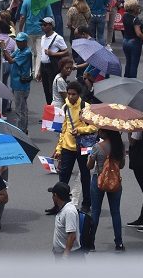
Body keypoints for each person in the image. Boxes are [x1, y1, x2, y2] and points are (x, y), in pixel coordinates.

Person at [52, 82, 95, 213]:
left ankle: (86, 203)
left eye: (73, 94)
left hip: (83, 146)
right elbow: (63, 130)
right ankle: (59, 204)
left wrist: (80, 130)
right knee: (63, 178)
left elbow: (94, 127)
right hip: (67, 147)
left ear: (79, 94)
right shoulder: (65, 107)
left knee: (85, 176)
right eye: (69, 94)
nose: (70, 96)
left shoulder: (86, 107)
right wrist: (59, 149)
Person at [87, 129, 126, 252]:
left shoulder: (97, 147)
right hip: (114, 181)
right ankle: (119, 243)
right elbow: (121, 166)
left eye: (101, 130)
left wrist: (90, 157)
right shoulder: (120, 147)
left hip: (98, 180)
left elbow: (89, 166)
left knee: (95, 211)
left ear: (105, 133)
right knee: (115, 212)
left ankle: (90, 243)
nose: (99, 131)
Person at [1, 32, 33, 133]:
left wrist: (4, 48)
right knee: (21, 108)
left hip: (21, 85)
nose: (18, 43)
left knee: (20, 109)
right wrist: (3, 49)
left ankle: (21, 131)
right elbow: (8, 57)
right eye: (17, 41)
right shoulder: (19, 50)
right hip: (16, 83)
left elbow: (10, 60)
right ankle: (23, 130)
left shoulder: (26, 52)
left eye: (20, 42)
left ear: (25, 42)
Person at [36, 16, 68, 105]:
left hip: (52, 67)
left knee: (52, 90)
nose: (42, 26)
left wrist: (53, 54)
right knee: (46, 90)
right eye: (42, 25)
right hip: (44, 66)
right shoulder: (43, 38)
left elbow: (66, 51)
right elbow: (42, 55)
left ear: (51, 26)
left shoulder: (58, 38)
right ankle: (49, 109)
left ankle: (54, 109)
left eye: (45, 25)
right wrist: (39, 71)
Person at [49, 182, 82, 257]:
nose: (52, 198)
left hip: (71, 256)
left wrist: (65, 255)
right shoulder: (62, 208)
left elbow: (72, 235)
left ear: (56, 196)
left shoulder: (69, 212)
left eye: (53, 195)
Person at [122, 0, 143, 78]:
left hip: (125, 41)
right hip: (134, 42)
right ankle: (133, 80)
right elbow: (138, 33)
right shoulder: (135, 20)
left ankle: (126, 78)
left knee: (128, 62)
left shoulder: (124, 16)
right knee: (134, 64)